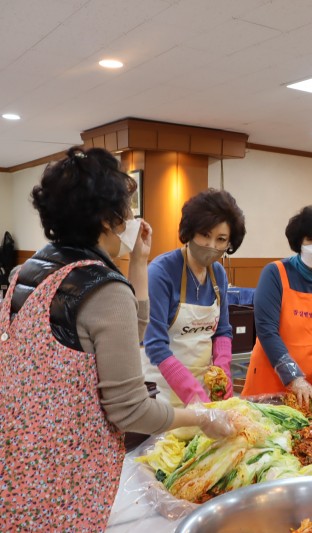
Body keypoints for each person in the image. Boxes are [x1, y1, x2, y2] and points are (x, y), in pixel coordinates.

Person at [0, 147, 234, 530]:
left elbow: (126, 336)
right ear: (108, 219)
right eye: (126, 208)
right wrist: (201, 417)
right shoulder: (102, 289)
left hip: (21, 451)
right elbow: (129, 411)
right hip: (66, 465)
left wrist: (138, 264)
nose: (131, 217)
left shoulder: (28, 270)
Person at [143, 189, 246, 407]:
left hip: (204, 389)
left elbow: (223, 331)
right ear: (189, 232)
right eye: (205, 235)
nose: (211, 246)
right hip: (163, 390)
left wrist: (223, 370)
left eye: (221, 240)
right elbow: (154, 344)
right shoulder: (161, 273)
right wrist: (192, 393)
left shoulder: (218, 274)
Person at [242, 205, 312, 409]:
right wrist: (294, 378)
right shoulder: (274, 273)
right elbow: (267, 331)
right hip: (270, 378)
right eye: (311, 239)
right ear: (299, 242)